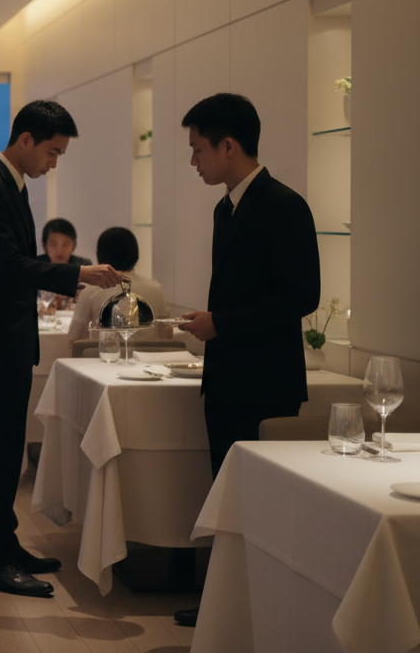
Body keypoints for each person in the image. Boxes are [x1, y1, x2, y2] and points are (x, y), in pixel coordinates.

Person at [0, 100, 124, 598]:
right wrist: (79, 273)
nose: (54, 163)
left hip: (6, 337)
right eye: (52, 152)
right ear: (25, 140)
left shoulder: (11, 184)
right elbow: (8, 266)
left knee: (7, 451)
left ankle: (5, 546)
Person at [172, 93, 319, 628]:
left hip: (264, 384)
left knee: (261, 508)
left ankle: (261, 611)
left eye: (198, 150)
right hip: (227, 378)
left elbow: (302, 295)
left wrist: (222, 323)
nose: (193, 162)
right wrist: (212, 321)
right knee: (228, 499)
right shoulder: (225, 206)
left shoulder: (283, 205)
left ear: (228, 146)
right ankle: (226, 606)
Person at [68, 227, 168, 342]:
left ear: (99, 255)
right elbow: (164, 335)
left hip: (102, 357)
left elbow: (75, 338)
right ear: (136, 255)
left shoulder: (90, 291)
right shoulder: (156, 289)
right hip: (148, 358)